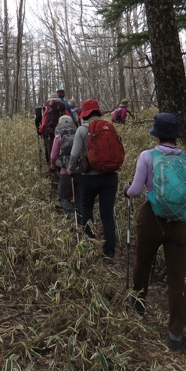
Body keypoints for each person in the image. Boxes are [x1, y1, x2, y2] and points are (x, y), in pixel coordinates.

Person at [124, 112, 186, 351]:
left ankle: (138, 307)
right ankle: (176, 334)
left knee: (143, 263)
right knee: (177, 277)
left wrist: (128, 189)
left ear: (156, 134)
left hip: (152, 219)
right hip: (180, 223)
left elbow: (136, 191)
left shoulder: (147, 157)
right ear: (176, 135)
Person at [68, 99, 119, 259]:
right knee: (107, 213)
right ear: (98, 112)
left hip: (89, 177)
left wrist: (71, 168)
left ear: (85, 114)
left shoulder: (82, 130)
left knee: (87, 207)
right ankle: (109, 249)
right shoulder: (109, 127)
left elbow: (75, 154)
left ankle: (89, 243)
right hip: (110, 177)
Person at [49, 115, 79, 214]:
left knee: (64, 197)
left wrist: (52, 166)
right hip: (79, 170)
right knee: (79, 196)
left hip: (65, 171)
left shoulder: (58, 136)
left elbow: (53, 156)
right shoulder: (78, 133)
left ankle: (70, 218)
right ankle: (80, 217)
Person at [39, 92, 68, 192]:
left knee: (51, 155)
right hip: (64, 135)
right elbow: (71, 119)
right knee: (62, 154)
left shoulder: (48, 108)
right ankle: (64, 178)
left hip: (50, 135)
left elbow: (43, 123)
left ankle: (54, 179)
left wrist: (41, 130)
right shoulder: (63, 106)